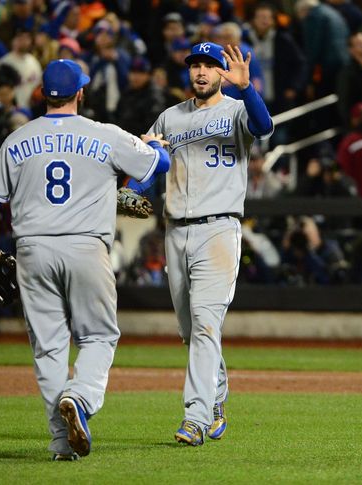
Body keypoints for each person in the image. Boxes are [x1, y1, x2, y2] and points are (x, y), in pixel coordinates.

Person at [0, 59, 170, 460]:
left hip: (33, 249)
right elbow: (160, 165)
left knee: (48, 348)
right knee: (99, 336)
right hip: (85, 246)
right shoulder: (104, 133)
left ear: (44, 94)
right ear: (81, 92)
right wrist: (151, 148)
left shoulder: (17, 139)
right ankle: (79, 398)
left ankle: (62, 444)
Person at [147, 42, 273, 446]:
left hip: (219, 229)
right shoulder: (170, 117)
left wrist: (247, 88)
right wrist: (142, 164)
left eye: (209, 65)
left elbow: (264, 125)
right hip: (176, 230)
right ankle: (217, 396)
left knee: (204, 323)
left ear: (222, 73)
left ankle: (196, 418)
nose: (200, 71)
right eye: (195, 65)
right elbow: (147, 159)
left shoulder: (236, 110)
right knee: (191, 329)